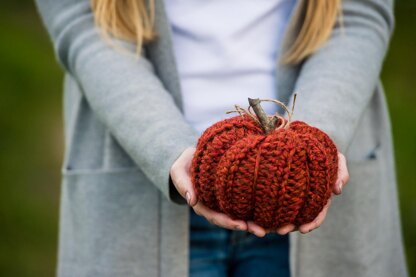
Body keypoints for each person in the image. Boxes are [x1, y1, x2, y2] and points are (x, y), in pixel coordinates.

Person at [34, 0, 408, 276]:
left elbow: (358, 15)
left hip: (305, 188)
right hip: (141, 183)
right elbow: (83, 25)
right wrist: (167, 149)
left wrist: (313, 146)